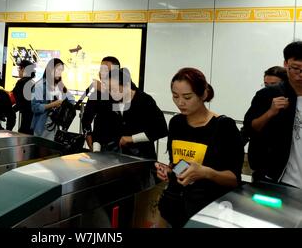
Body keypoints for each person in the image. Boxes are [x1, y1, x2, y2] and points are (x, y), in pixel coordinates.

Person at [156, 67, 244, 228]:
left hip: (206, 212)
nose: (180, 102)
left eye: (187, 97)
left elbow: (233, 179)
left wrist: (206, 172)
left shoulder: (224, 127)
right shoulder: (176, 123)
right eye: (175, 96)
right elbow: (178, 164)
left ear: (203, 94)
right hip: (172, 207)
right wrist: (170, 171)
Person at [244, 41, 302, 188]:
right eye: (295, 68)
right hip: (277, 178)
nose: (300, 75)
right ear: (285, 64)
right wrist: (270, 113)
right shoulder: (268, 94)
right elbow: (249, 129)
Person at [102, 67, 168, 159]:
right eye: (109, 90)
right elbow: (100, 126)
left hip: (142, 158)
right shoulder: (110, 102)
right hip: (117, 158)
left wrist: (131, 138)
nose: (112, 93)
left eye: (115, 89)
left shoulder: (144, 101)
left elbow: (161, 129)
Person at [81, 56, 120, 152]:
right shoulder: (96, 93)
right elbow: (86, 119)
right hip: (99, 145)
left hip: (120, 145)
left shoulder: (125, 92)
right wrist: (90, 143)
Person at [31, 58, 75, 140]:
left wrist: (62, 105)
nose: (60, 73)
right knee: (42, 151)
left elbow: (72, 100)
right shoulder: (40, 86)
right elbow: (35, 107)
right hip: (42, 127)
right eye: (58, 70)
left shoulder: (60, 85)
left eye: (61, 71)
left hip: (55, 126)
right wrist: (52, 105)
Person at [12, 60, 35, 134]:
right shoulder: (32, 82)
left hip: (26, 115)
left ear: (23, 69)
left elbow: (21, 101)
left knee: (24, 135)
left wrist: (10, 111)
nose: (19, 71)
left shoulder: (21, 82)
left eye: (19, 68)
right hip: (33, 116)